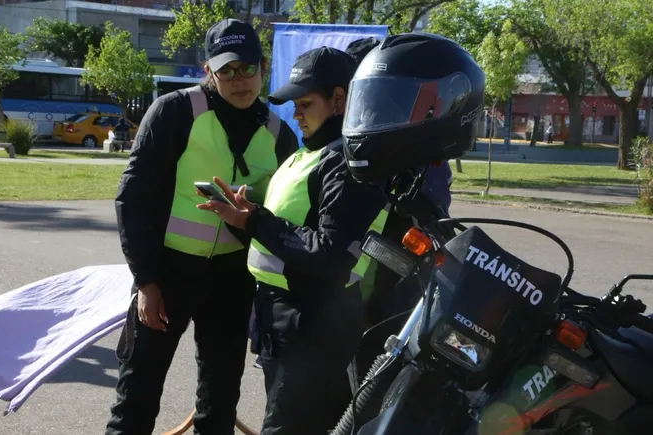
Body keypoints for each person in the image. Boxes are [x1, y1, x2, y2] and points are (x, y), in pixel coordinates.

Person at [105, 18, 298, 435]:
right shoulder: (176, 111)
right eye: (226, 69)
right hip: (167, 272)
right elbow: (132, 198)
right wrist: (146, 281)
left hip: (232, 278)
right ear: (208, 70)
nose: (239, 80)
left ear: (263, 66)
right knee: (136, 396)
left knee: (220, 399)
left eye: (247, 68)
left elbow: (285, 217)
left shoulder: (280, 133)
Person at [197, 46, 389, 435]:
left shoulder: (347, 165)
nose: (295, 114)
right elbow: (284, 235)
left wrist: (257, 220)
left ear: (339, 99)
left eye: (305, 103)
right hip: (285, 317)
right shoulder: (310, 154)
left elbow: (330, 255)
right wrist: (242, 219)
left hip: (313, 322)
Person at [340, 32, 485, 391]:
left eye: (391, 102)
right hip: (363, 304)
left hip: (401, 298)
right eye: (370, 102)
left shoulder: (422, 163)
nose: (373, 115)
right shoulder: (368, 160)